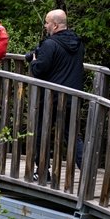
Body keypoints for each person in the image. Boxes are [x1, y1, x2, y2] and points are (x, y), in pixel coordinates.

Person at [25, 9, 86, 179]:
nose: (45, 26)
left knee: (41, 132)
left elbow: (39, 70)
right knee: (73, 136)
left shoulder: (50, 44)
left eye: (47, 22)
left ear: (55, 25)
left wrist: (35, 60)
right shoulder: (78, 43)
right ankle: (87, 172)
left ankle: (43, 171)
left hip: (52, 97)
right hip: (72, 97)